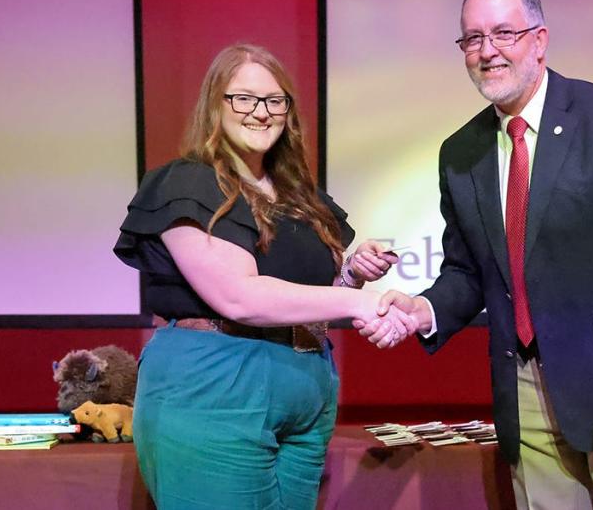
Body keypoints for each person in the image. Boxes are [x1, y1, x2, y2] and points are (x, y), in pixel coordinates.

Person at [362, 0, 593, 509]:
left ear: (539, 40)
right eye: (472, 39)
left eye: (503, 33)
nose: (487, 51)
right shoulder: (461, 151)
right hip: (524, 393)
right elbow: (469, 272)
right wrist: (422, 308)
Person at [114, 43, 411, 510]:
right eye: (244, 98)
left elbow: (310, 299)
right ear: (216, 104)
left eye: (275, 100)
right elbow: (240, 298)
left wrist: (352, 274)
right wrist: (359, 304)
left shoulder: (299, 196)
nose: (261, 112)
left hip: (306, 394)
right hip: (216, 391)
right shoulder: (186, 183)